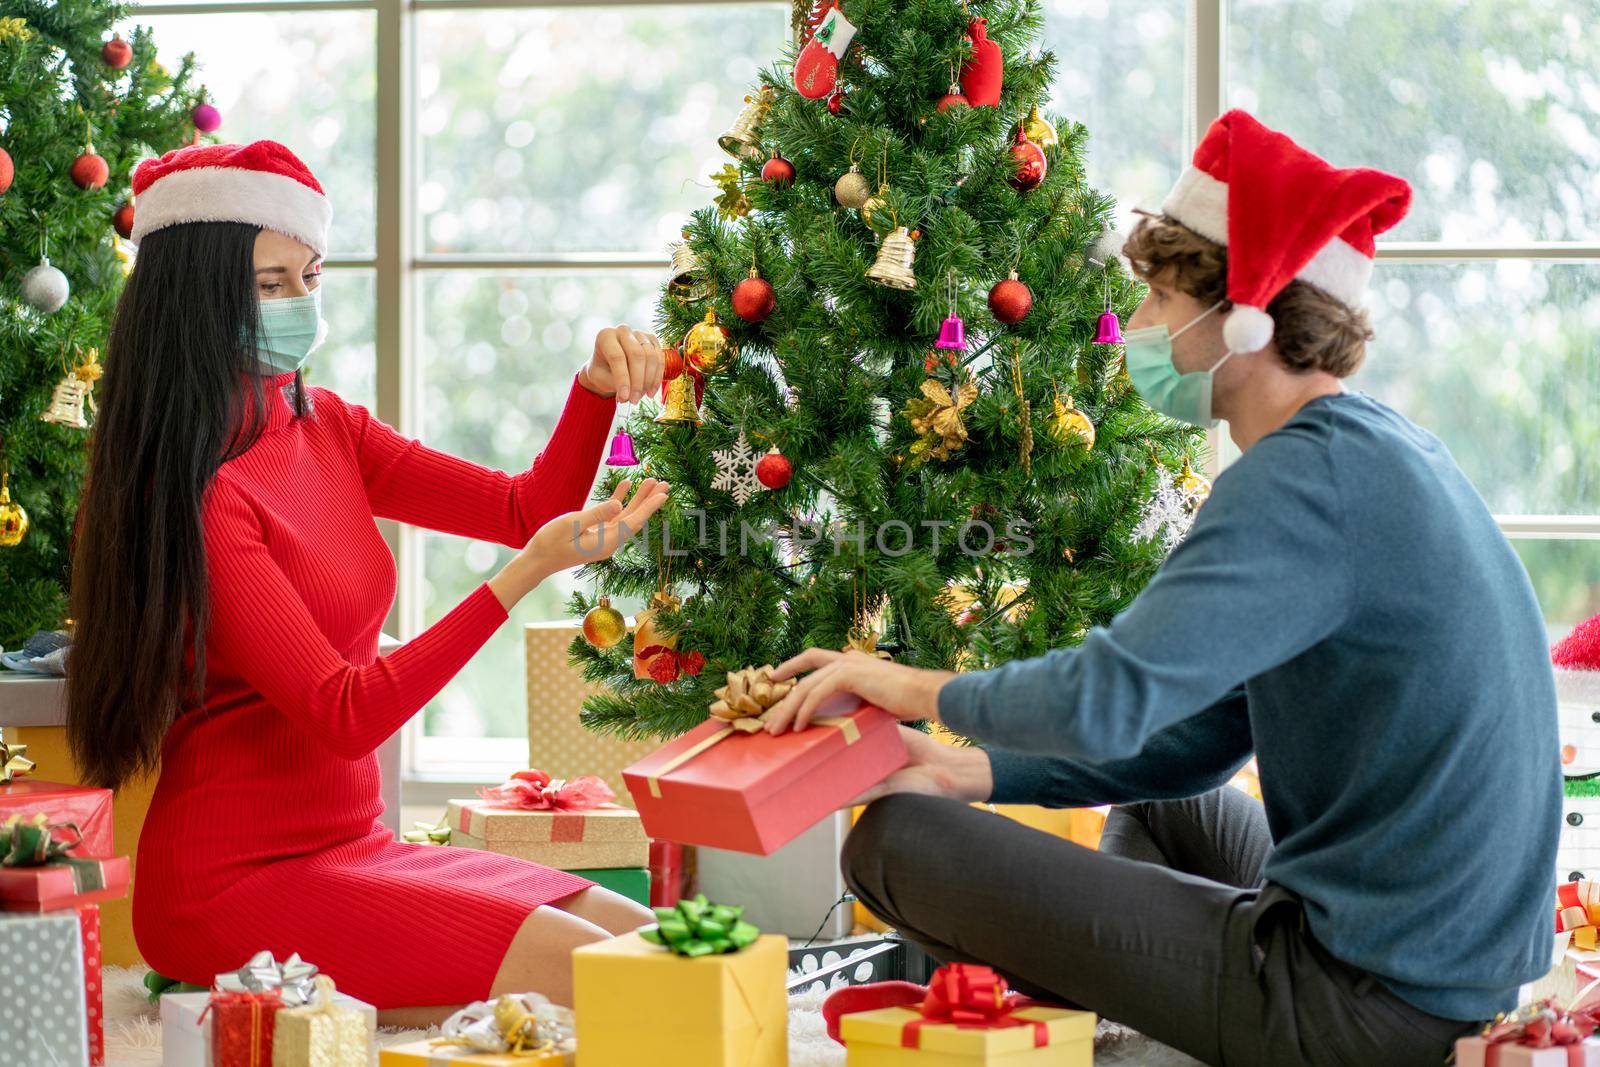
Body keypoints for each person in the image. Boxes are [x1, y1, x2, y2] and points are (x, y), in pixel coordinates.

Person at [760, 110, 1559, 1065]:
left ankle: (1157, 1024)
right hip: (1436, 964)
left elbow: (1105, 698)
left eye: (1157, 298)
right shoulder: (1374, 455)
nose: (1136, 327)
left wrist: (902, 683)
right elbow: (1194, 740)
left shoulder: (1295, 485)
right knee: (1160, 801)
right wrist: (968, 768)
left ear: (1245, 314)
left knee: (892, 843)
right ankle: (1142, 1021)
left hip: (1368, 1006)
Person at [64, 140, 669, 1025]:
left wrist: (594, 389)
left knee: (642, 939)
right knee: (620, 982)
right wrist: (527, 573)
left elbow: (521, 504)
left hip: (355, 846)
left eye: (310, 277)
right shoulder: (200, 493)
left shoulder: (329, 428)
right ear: (193, 297)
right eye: (270, 284)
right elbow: (346, 712)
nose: (300, 304)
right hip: (229, 886)